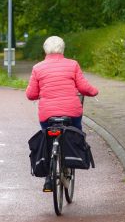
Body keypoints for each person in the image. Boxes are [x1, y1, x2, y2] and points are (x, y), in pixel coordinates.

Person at [26, 36, 99, 192]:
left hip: (48, 114)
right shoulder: (72, 65)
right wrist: (94, 91)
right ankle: (71, 158)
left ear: (45, 50)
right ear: (63, 49)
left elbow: (31, 94)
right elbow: (84, 87)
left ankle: (48, 176)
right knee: (77, 131)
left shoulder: (38, 68)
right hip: (71, 112)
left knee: (47, 136)